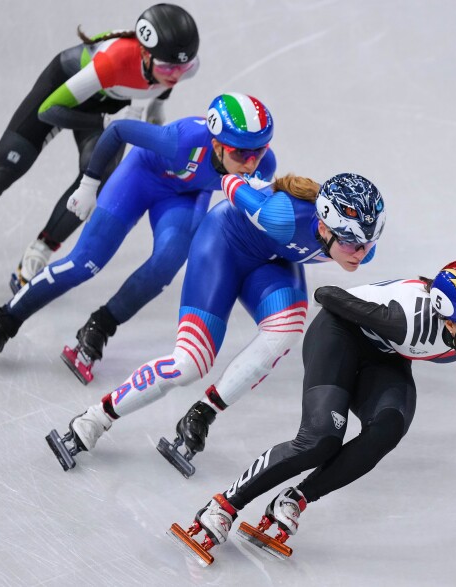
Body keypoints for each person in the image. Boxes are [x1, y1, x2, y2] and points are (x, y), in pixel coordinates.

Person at [167, 259, 456, 566]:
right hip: (338, 336)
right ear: (450, 322)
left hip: (385, 355)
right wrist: (375, 318)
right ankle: (224, 505)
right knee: (321, 440)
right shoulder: (407, 321)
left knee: (388, 428)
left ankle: (294, 498)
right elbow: (328, 295)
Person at [45, 170, 387, 478]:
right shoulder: (281, 217)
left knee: (287, 327)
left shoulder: (355, 241)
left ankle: (201, 414)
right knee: (190, 363)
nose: (360, 253)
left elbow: (352, 243)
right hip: (222, 246)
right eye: (351, 243)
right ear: (324, 227)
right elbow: (230, 180)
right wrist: (254, 181)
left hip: (268, 261)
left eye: (368, 242)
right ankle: (94, 418)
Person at [0, 3, 200, 304]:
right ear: (145, 53)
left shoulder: (177, 67)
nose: (175, 74)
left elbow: (160, 93)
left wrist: (156, 124)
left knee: (100, 176)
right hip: (60, 94)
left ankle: (41, 249)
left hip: (103, 105)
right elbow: (49, 109)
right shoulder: (114, 61)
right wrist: (105, 122)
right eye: (167, 67)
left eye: (182, 67)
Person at [0, 93, 278, 380]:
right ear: (218, 145)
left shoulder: (264, 166)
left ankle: (99, 326)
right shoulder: (180, 140)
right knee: (85, 263)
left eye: (259, 152)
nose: (252, 164)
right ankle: (2, 323)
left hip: (183, 197)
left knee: (167, 263)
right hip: (140, 178)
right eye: (242, 155)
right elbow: (118, 130)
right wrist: (89, 185)